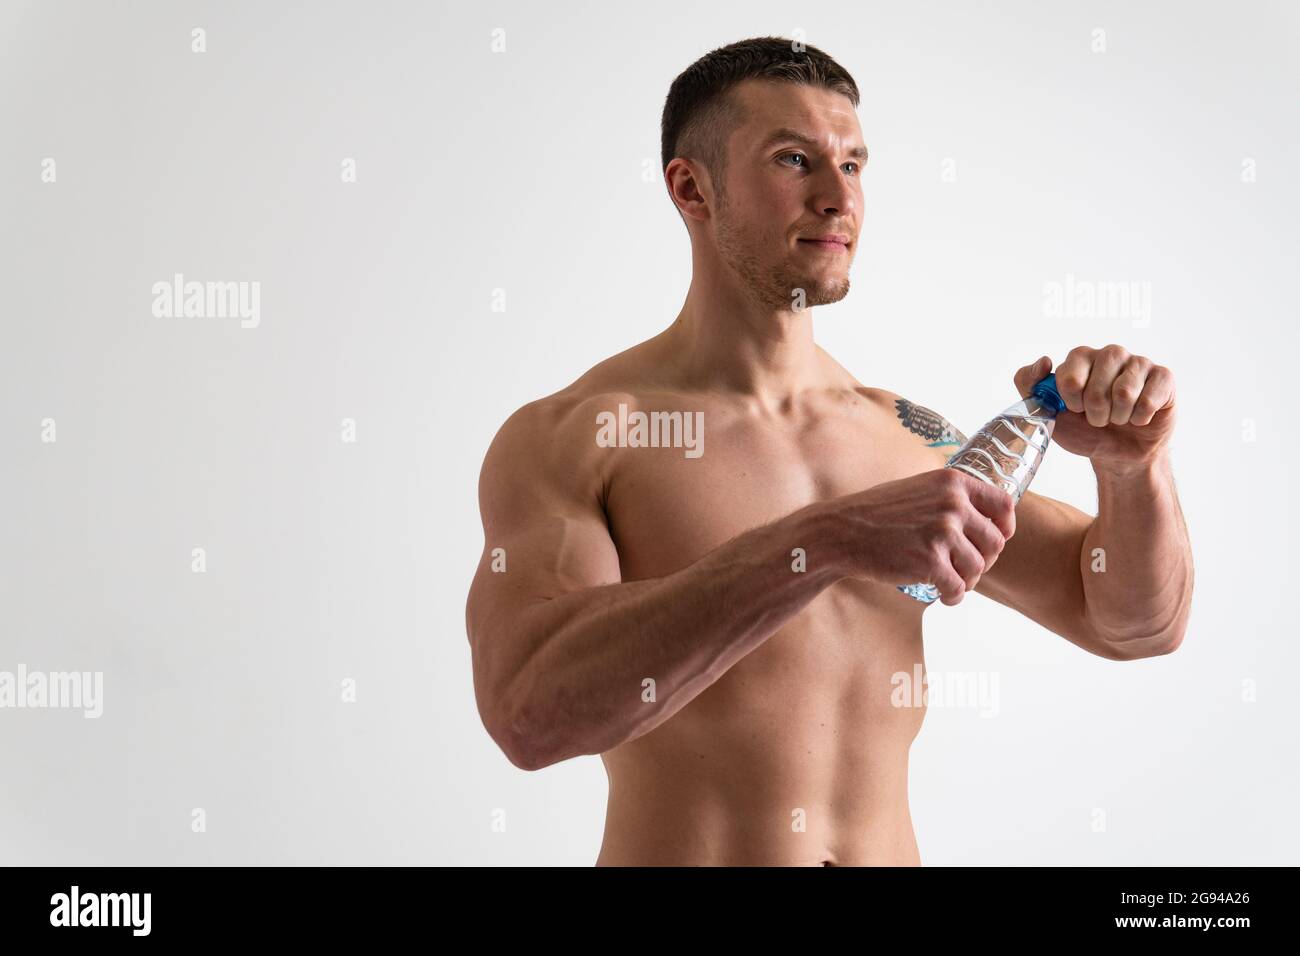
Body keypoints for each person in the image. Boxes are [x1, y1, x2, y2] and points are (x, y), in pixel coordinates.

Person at [465, 36, 1193, 866]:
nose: (838, 197)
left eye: (853, 165)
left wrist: (1134, 470)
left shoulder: (905, 439)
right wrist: (823, 542)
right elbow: (530, 715)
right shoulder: (583, 436)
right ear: (691, 188)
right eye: (793, 160)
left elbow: (1133, 623)